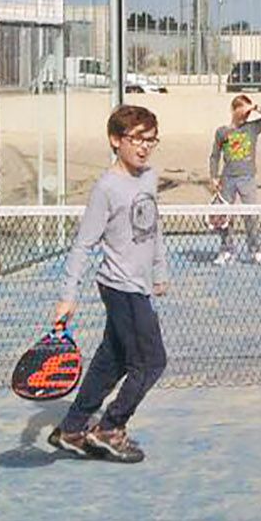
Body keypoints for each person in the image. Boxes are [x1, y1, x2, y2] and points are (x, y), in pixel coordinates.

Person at [45, 105, 171, 465]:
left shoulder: (149, 178)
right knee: (150, 363)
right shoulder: (106, 188)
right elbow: (84, 244)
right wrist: (68, 296)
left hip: (140, 285)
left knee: (111, 360)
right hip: (120, 287)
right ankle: (110, 428)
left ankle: (71, 428)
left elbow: (154, 228)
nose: (144, 147)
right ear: (116, 141)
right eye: (136, 139)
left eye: (151, 140)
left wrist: (159, 271)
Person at [209, 93, 261, 265]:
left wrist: (256, 108)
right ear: (233, 110)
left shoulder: (252, 128)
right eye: (242, 110)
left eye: (247, 111)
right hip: (228, 179)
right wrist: (214, 176)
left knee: (251, 215)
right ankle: (226, 250)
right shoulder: (222, 132)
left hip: (247, 178)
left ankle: (255, 251)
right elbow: (215, 156)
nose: (245, 114)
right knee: (225, 217)